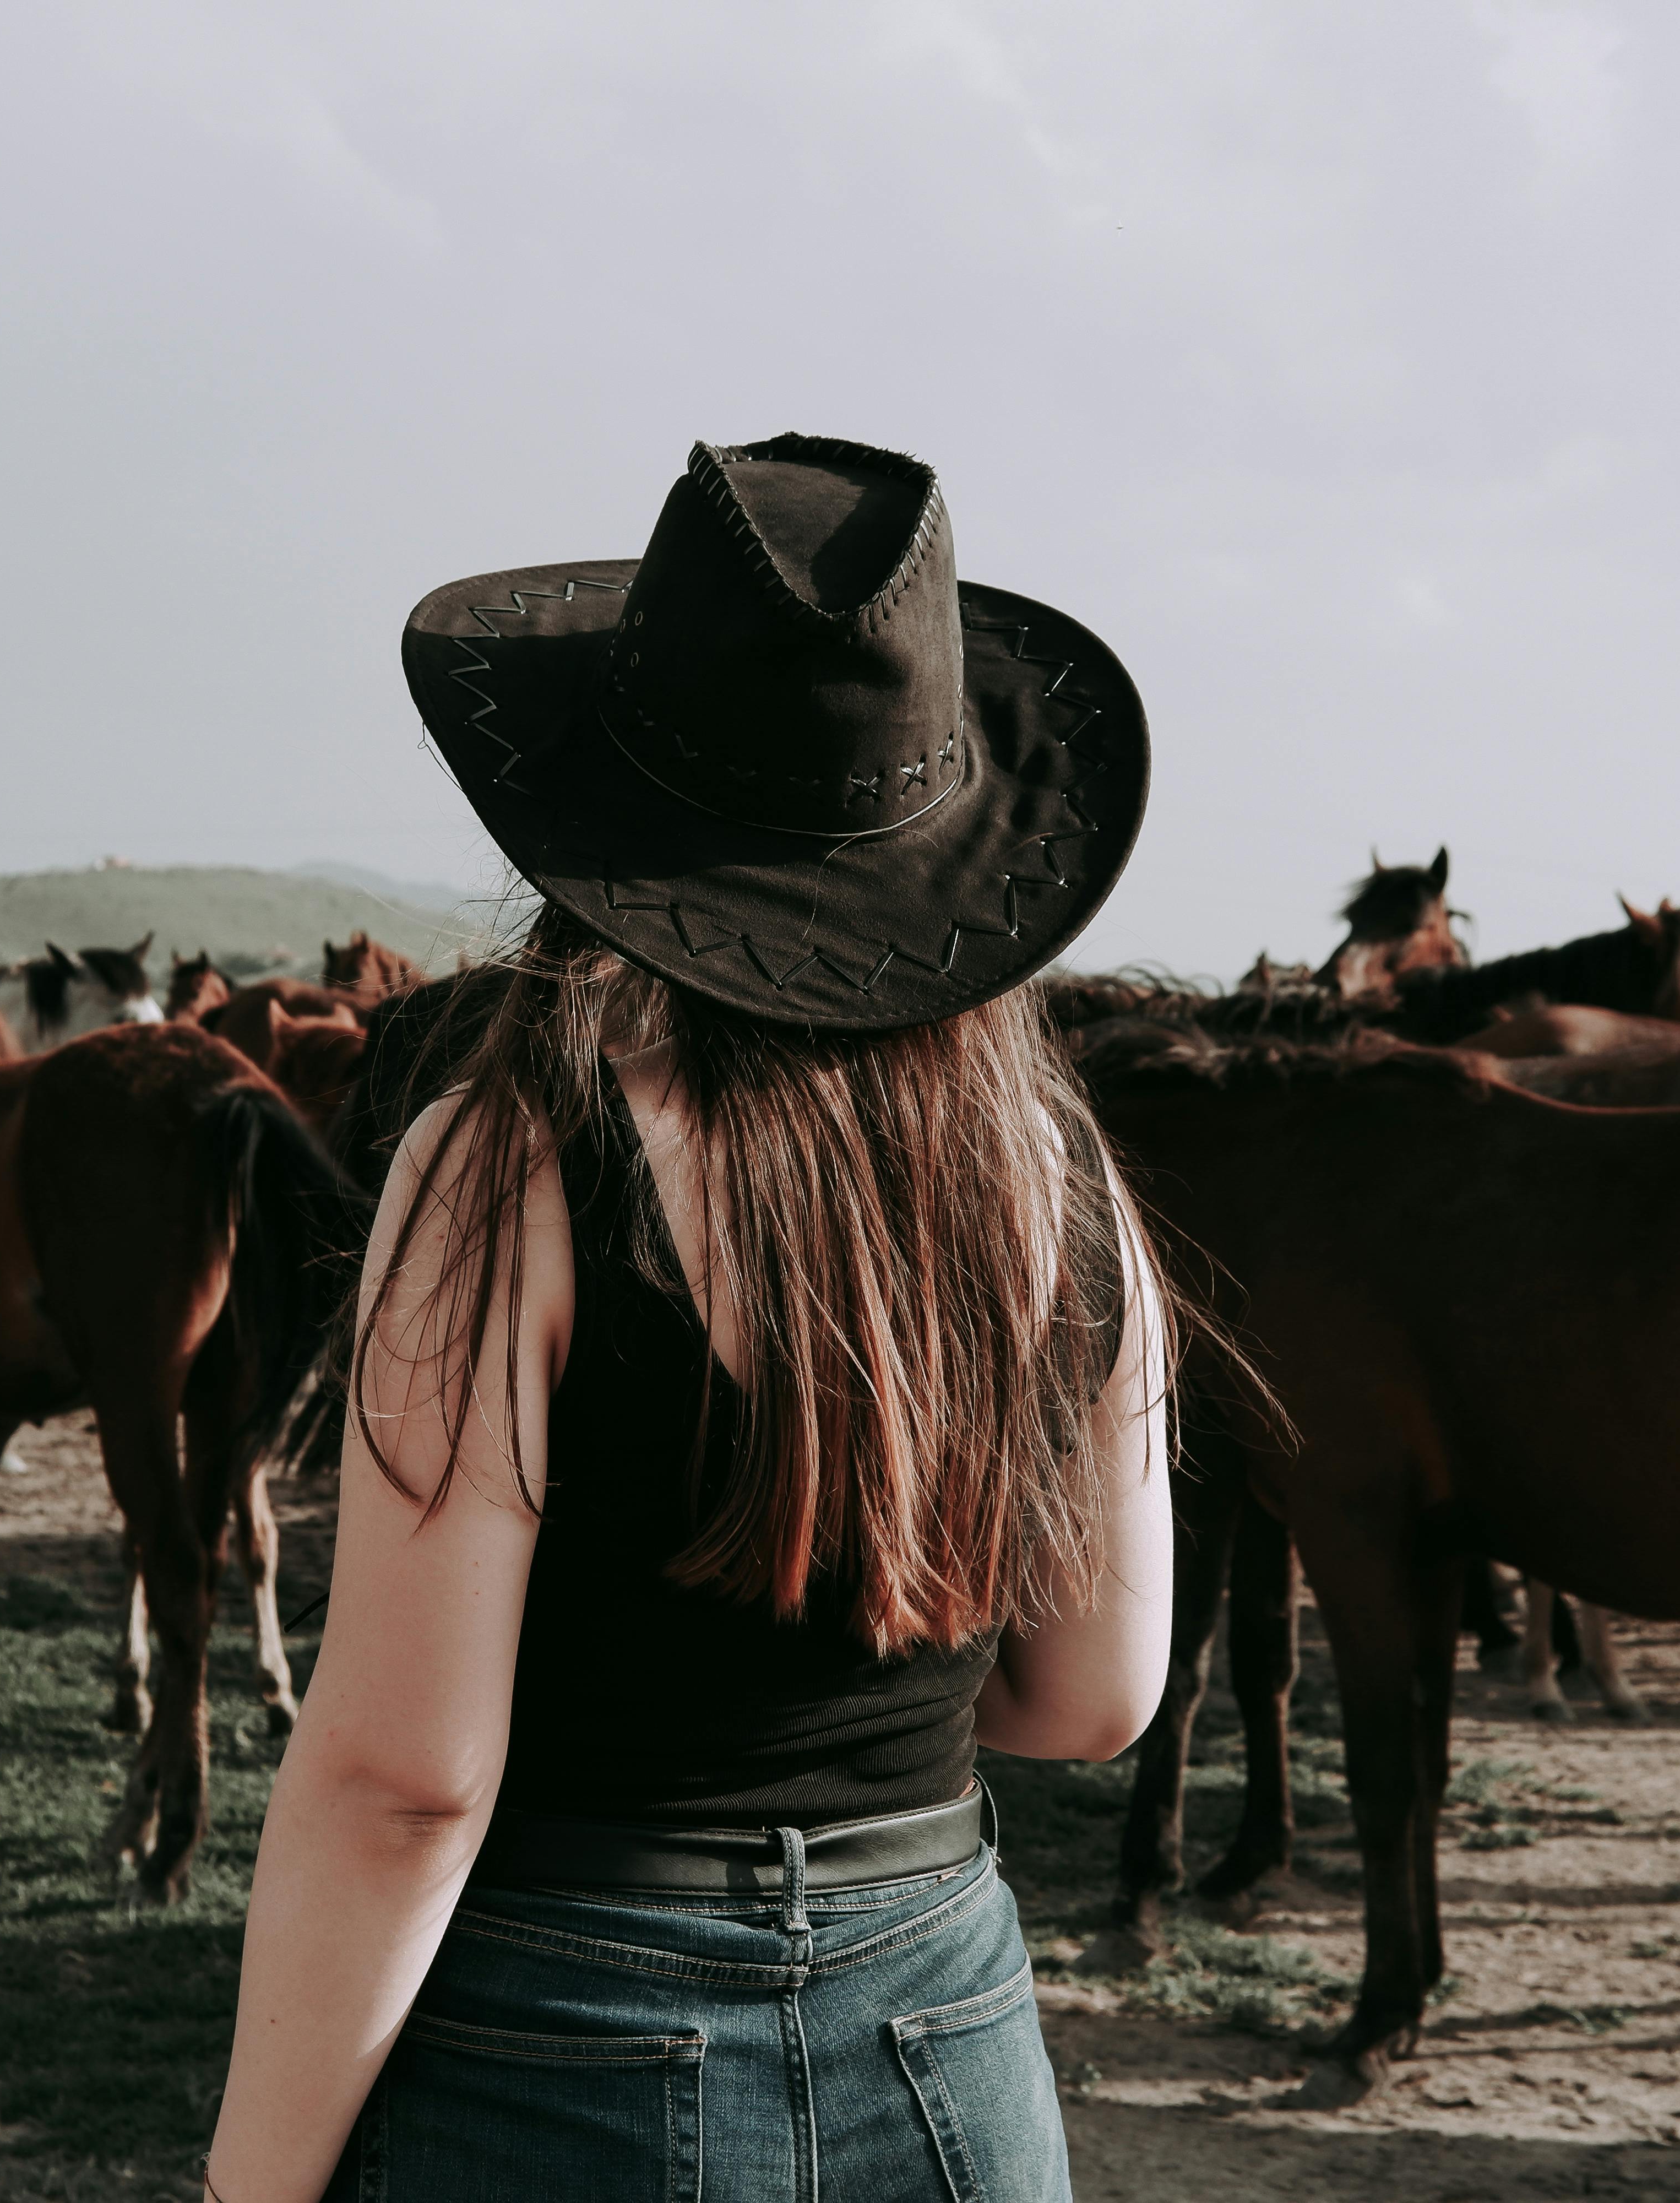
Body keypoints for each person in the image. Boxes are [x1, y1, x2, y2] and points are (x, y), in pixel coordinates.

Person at [205, 433, 1174, 2202]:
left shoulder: (505, 1170)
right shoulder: (1069, 1184)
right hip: (951, 2032)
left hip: (561, 2046)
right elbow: (1097, 1697)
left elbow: (407, 1785)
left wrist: (246, 2192)